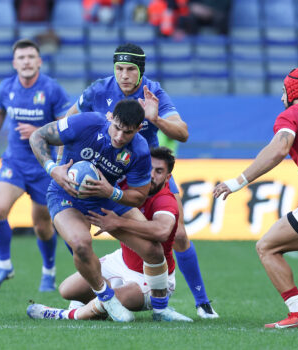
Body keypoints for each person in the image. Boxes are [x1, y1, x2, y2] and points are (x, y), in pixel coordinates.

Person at [63, 42, 218, 319]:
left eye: (130, 69)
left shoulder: (153, 92)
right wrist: (63, 166)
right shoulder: (99, 89)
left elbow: (182, 132)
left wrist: (156, 118)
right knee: (79, 231)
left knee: (178, 233)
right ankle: (91, 292)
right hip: (105, 172)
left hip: (144, 175)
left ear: (140, 71)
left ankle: (202, 302)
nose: (124, 75)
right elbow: (68, 123)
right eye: (119, 68)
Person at [29, 99, 189, 322]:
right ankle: (108, 299)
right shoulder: (86, 123)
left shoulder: (140, 150)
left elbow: (138, 196)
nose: (119, 137)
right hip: (65, 193)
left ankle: (161, 310)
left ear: (138, 129)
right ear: (110, 118)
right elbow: (37, 136)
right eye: (117, 128)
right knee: (81, 244)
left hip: (105, 196)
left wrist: (110, 192)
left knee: (153, 250)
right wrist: (53, 169)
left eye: (128, 133)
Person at [0, 39, 71, 292]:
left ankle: (48, 272)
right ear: (14, 63)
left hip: (43, 166)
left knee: (42, 225)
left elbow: (65, 127)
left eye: (31, 57)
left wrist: (41, 134)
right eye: (21, 57)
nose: (26, 61)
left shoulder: (52, 89)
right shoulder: (6, 88)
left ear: (39, 61)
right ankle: (4, 265)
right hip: (14, 162)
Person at [213, 67, 298, 329]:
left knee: (268, 247)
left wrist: (238, 181)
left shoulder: (291, 115)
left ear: (291, 91)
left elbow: (280, 146)